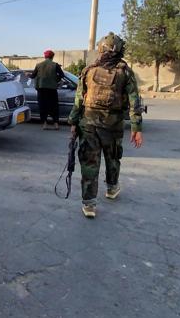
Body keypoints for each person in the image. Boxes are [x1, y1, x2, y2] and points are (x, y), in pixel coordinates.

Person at [68, 32, 144, 219]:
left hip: (88, 124)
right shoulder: (125, 71)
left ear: (101, 49)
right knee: (113, 159)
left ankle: (89, 205)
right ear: (119, 50)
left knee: (89, 164)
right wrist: (136, 128)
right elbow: (135, 101)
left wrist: (73, 122)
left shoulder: (89, 70)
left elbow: (79, 99)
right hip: (113, 125)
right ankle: (111, 189)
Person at [30, 49, 64, 130]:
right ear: (52, 57)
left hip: (41, 89)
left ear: (45, 56)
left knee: (43, 106)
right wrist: (56, 79)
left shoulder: (38, 65)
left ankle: (44, 124)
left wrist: (28, 75)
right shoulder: (55, 65)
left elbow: (33, 76)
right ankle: (56, 124)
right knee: (54, 106)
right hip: (52, 89)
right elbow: (62, 75)